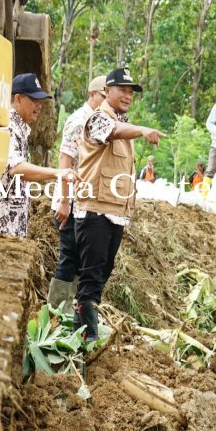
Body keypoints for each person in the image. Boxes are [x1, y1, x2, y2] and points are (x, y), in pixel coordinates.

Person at [73, 68, 165, 341]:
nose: (128, 95)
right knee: (90, 280)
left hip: (114, 213)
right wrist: (142, 130)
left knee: (99, 278)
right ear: (107, 92)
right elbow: (111, 131)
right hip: (94, 211)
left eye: (131, 92)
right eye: (122, 89)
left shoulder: (121, 121)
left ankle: (81, 334)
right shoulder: (97, 119)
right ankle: (85, 340)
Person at [0, 73, 78, 238]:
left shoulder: (20, 128)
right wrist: (57, 173)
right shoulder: (8, 126)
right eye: (34, 100)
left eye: (40, 100)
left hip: (7, 223)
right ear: (18, 99)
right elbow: (16, 168)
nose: (39, 105)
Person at [46, 75, 106, 313]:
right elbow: (65, 161)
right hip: (70, 200)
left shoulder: (100, 121)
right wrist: (64, 201)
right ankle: (54, 310)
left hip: (87, 202)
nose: (105, 101)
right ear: (92, 94)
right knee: (69, 257)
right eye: (103, 96)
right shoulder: (78, 121)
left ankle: (70, 309)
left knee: (83, 260)